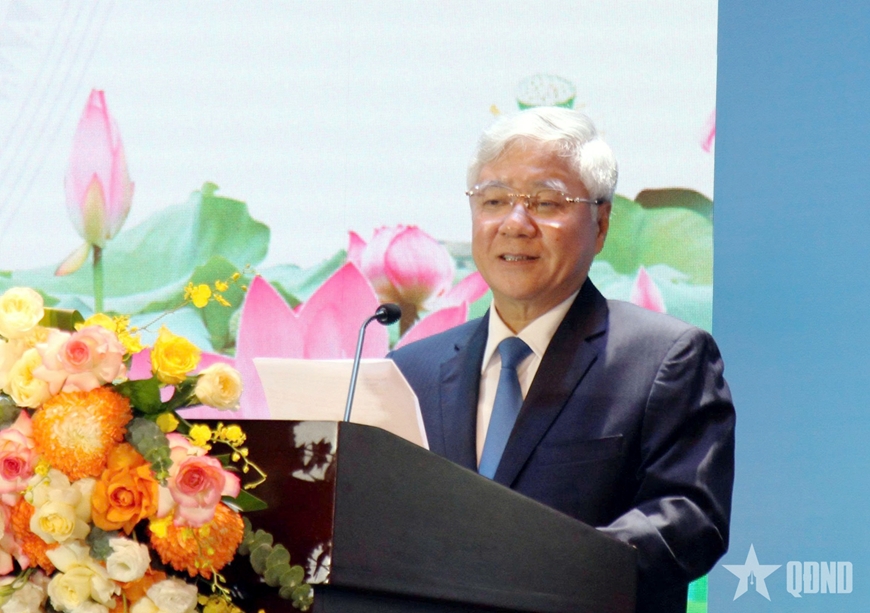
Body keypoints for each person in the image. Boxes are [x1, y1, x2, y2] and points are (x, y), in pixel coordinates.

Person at [389, 106, 735, 612]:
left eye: (546, 202)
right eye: (494, 200)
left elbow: (689, 520)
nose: (515, 223)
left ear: (601, 223)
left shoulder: (665, 358)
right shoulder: (410, 370)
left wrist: (536, 565)